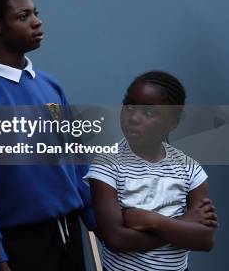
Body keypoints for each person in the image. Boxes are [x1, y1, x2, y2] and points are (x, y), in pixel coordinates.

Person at [0, 0, 95, 271]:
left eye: (36, 13)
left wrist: (99, 224)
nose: (37, 22)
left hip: (70, 234)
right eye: (23, 16)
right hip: (21, 243)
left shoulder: (51, 85)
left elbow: (78, 160)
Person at [85, 71, 217, 271]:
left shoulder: (190, 169)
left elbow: (204, 240)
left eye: (148, 113)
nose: (134, 118)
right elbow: (116, 240)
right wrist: (182, 226)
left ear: (173, 122)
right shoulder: (106, 165)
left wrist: (153, 221)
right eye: (129, 106)